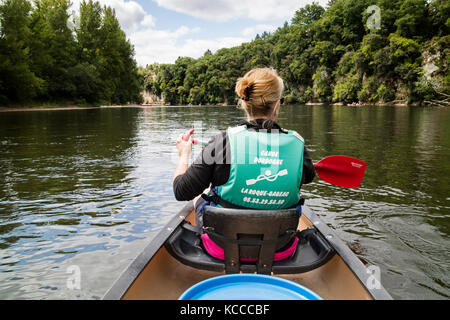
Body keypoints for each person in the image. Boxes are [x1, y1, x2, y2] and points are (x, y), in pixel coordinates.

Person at [173, 68, 316, 230]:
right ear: (277, 104)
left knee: (202, 192)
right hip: (281, 247)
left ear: (243, 102)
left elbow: (180, 191)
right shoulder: (298, 145)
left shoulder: (222, 142)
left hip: (222, 246)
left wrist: (184, 154)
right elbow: (308, 176)